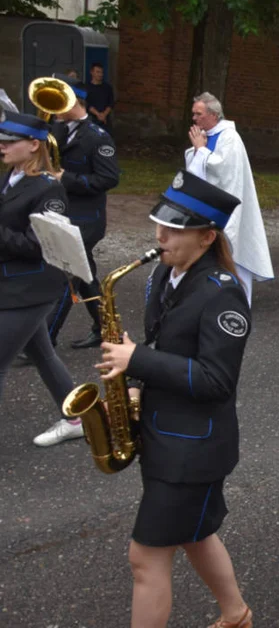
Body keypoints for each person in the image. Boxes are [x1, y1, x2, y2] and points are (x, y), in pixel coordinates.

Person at [94, 170, 252, 628]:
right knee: (195, 534)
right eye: (159, 224)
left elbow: (216, 380)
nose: (159, 236)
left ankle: (236, 612)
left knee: (144, 558)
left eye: (174, 229)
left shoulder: (223, 296)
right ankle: (236, 614)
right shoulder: (167, 275)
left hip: (194, 449)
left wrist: (137, 361)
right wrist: (134, 393)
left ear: (207, 237)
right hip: (167, 434)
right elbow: (165, 348)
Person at [0, 111, 83, 447]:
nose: (1, 146)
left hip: (32, 286)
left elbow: (40, 247)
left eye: (9, 141)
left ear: (34, 145)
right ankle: (78, 418)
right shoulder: (9, 177)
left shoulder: (49, 189)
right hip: (10, 282)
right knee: (42, 354)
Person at [46, 75, 122, 349]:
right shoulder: (58, 129)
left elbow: (109, 179)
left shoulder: (97, 137)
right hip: (63, 214)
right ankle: (104, 328)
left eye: (57, 104)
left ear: (74, 102)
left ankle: (44, 340)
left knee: (66, 277)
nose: (53, 110)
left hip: (87, 220)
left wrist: (66, 178)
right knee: (86, 275)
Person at [186, 92, 273, 304]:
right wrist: (197, 150)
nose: (194, 119)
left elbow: (223, 170)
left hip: (228, 208)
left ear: (213, 114)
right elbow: (194, 170)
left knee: (231, 252)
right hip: (207, 208)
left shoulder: (229, 138)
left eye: (198, 114)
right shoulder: (206, 137)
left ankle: (237, 300)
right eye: (193, 114)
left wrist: (200, 150)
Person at [85, 63, 115, 133]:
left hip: (105, 121)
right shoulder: (85, 88)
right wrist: (98, 114)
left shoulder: (107, 88)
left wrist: (104, 115)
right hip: (91, 120)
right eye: (97, 72)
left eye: (101, 72)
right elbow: (86, 103)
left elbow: (111, 102)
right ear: (92, 72)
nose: (100, 74)